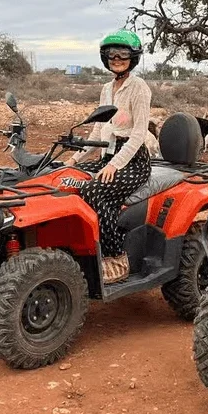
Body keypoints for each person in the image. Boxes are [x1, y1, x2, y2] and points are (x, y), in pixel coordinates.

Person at [67, 30, 152, 284]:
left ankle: (115, 257)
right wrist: (73, 160)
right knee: (68, 179)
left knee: (94, 191)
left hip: (134, 161)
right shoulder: (106, 89)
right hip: (108, 154)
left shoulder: (139, 87)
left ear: (133, 57)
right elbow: (98, 130)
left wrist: (114, 165)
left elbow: (139, 133)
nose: (117, 58)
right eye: (111, 54)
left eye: (123, 54)